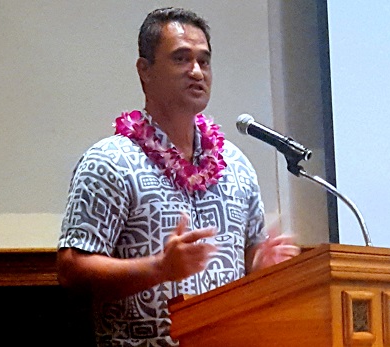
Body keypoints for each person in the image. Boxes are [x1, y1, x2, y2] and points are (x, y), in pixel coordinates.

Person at [57, 7, 300, 347]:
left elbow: (249, 256)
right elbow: (72, 270)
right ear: (145, 71)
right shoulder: (110, 161)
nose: (197, 71)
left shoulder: (236, 164)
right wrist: (160, 268)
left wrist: (260, 264)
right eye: (181, 59)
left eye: (204, 60)